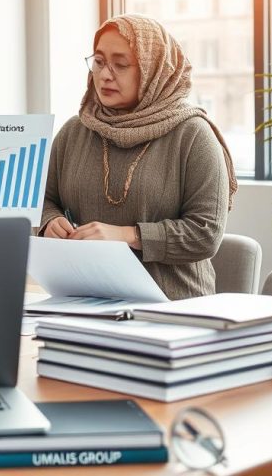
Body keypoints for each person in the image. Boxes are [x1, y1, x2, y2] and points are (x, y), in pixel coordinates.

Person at [39, 15, 238, 299]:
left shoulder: (193, 135)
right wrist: (50, 221)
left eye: (120, 65)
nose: (105, 74)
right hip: (86, 300)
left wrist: (127, 235)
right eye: (98, 61)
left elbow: (205, 234)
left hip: (173, 308)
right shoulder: (75, 130)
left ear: (152, 70)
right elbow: (43, 199)